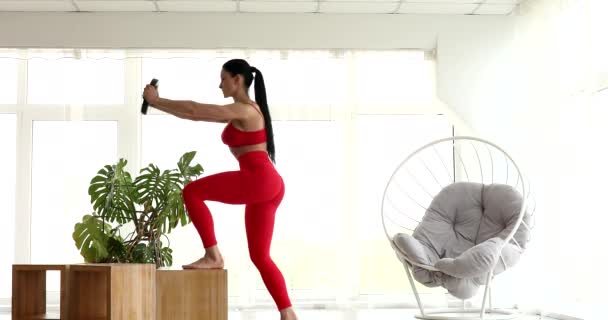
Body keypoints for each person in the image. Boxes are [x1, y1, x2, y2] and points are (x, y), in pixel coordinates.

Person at [142, 59, 298, 320]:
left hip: (258, 179)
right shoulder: (248, 110)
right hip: (268, 183)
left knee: (192, 191)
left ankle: (213, 256)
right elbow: (195, 112)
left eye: (223, 78)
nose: (219, 84)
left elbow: (195, 111)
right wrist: (159, 104)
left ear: (237, 80)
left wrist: (157, 101)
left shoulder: (245, 111)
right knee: (260, 256)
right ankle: (288, 313)